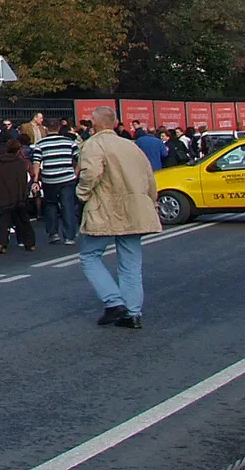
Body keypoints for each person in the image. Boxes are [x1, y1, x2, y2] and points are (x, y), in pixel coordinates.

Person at [77, 105, 162, 329]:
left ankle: (113, 301)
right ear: (115, 123)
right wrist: (150, 201)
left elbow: (91, 173)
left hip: (104, 207)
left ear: (93, 123)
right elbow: (149, 177)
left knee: (89, 255)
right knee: (131, 263)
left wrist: (81, 194)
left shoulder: (93, 144)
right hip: (135, 207)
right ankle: (133, 313)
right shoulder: (131, 146)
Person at [0, 138, 35, 253]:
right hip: (17, 194)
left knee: (2, 220)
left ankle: (2, 244)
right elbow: (22, 180)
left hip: (1, 195)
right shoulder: (20, 162)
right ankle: (29, 243)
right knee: (23, 219)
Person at [34, 124, 81, 245]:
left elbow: (37, 162)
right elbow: (80, 158)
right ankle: (69, 236)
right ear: (59, 129)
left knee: (50, 205)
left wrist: (35, 180)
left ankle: (53, 234)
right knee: (68, 206)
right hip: (67, 178)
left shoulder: (40, 143)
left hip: (49, 179)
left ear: (47, 129)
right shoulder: (69, 142)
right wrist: (75, 172)